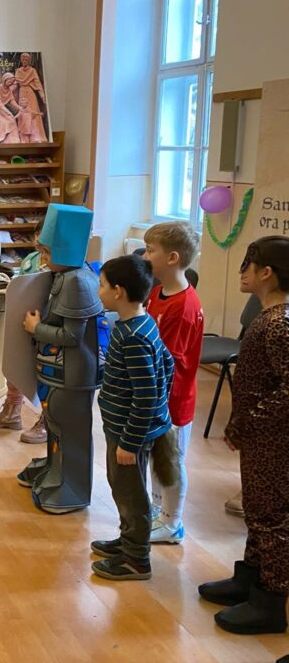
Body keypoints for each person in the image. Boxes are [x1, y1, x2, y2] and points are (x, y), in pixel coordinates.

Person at [199, 236, 289, 636]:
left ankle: (271, 601)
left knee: (271, 518)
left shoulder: (279, 324)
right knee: (256, 509)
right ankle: (250, 578)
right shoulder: (269, 318)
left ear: (266, 273)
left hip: (274, 440)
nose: (241, 272)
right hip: (260, 437)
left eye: (247, 265)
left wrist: (250, 421)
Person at [89, 255, 174, 581]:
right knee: (124, 488)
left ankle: (136, 559)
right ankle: (129, 541)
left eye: (102, 285)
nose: (98, 291)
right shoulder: (142, 322)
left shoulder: (133, 337)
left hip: (128, 434)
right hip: (129, 428)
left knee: (129, 494)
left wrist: (130, 441)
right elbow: (167, 364)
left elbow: (146, 394)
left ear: (118, 292)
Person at [15, 204, 105, 513]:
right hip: (58, 372)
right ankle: (54, 470)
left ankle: (71, 486)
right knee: (56, 424)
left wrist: (35, 328)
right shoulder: (63, 276)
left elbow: (71, 337)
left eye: (46, 251)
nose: (42, 258)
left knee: (70, 431)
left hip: (73, 375)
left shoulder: (77, 281)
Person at [142, 222, 204, 545]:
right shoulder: (157, 293)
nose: (145, 256)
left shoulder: (184, 306)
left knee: (172, 459)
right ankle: (157, 510)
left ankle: (172, 522)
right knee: (157, 456)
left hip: (174, 398)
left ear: (172, 258)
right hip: (157, 394)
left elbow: (168, 358)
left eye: (150, 251)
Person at [0, 222, 49, 442]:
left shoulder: (62, 264)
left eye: (43, 235)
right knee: (15, 362)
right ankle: (12, 410)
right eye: (37, 234)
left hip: (46, 323)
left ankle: (48, 419)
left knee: (47, 372)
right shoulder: (31, 259)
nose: (38, 240)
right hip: (24, 318)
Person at [14, 52, 49, 142]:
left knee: (33, 113)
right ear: (21, 60)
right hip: (22, 93)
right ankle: (23, 137)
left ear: (29, 61)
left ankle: (36, 136)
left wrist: (42, 95)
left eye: (26, 59)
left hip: (30, 93)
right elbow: (15, 83)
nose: (24, 61)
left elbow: (37, 83)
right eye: (23, 59)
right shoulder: (18, 71)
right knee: (23, 113)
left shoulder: (32, 71)